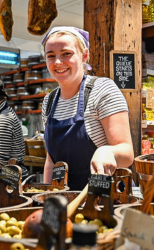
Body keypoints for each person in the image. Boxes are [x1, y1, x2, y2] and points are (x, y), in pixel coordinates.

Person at [41, 26, 134, 190]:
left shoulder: (103, 90)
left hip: (105, 197)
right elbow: (51, 160)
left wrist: (108, 152)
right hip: (65, 199)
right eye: (50, 56)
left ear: (84, 56)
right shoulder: (49, 101)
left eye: (66, 54)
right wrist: (46, 197)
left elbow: (126, 154)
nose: (57, 62)